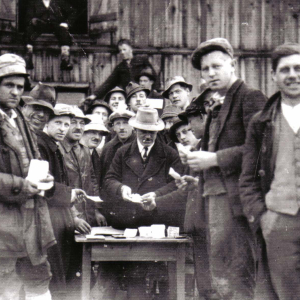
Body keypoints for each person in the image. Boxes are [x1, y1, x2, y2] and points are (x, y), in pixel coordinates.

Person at [180, 38, 267, 299]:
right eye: (205, 70)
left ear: (233, 64)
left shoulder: (249, 97)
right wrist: (196, 175)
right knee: (221, 277)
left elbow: (263, 150)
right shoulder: (219, 104)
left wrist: (213, 159)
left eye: (216, 66)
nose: (210, 74)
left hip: (238, 205)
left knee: (238, 278)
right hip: (215, 201)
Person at [240, 43, 300, 300]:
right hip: (280, 221)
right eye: (284, 69)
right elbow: (248, 179)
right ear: (274, 76)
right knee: (285, 293)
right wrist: (262, 218)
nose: (293, 75)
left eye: (298, 68)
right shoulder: (261, 122)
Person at [103, 107, 184, 299]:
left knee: (163, 275)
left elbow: (178, 184)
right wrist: (122, 189)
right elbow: (109, 179)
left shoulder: (170, 154)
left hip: (158, 221)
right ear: (136, 131)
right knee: (135, 273)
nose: (147, 136)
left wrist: (156, 195)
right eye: (143, 131)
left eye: (151, 132)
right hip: (130, 220)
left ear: (157, 131)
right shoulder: (123, 153)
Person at [0, 53, 56, 300]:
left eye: (19, 87)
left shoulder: (19, 117)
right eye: (8, 85)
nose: (15, 92)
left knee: (39, 281)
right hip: (4, 224)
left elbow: (30, 159)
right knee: (6, 286)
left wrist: (45, 178)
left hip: (32, 220)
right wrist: (22, 185)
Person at [38, 104, 87, 299]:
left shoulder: (54, 146)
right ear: (47, 124)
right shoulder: (41, 145)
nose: (62, 129)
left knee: (62, 274)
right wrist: (69, 195)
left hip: (60, 217)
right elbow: (43, 184)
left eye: (66, 124)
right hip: (49, 218)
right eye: (58, 123)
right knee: (54, 276)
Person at [176, 94, 212, 299]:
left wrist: (197, 184)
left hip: (210, 225)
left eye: (190, 122)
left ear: (203, 117)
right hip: (198, 224)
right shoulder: (199, 147)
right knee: (205, 284)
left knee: (213, 286)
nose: (189, 127)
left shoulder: (212, 146)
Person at [89, 39, 158, 100]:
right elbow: (108, 83)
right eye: (120, 50)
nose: (122, 52)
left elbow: (154, 77)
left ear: (131, 49)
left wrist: (155, 90)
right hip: (130, 97)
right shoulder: (120, 67)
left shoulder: (142, 61)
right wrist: (95, 95)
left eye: (124, 49)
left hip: (145, 96)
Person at [99, 109, 135, 224]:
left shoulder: (139, 144)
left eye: (125, 123)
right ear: (113, 127)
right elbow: (104, 178)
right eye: (118, 124)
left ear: (133, 125)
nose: (122, 127)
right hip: (115, 203)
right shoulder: (108, 148)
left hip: (137, 200)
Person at [24, 0, 77, 70]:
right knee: (29, 29)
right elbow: (28, 17)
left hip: (55, 26)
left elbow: (73, 12)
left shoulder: (59, 1)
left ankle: (65, 60)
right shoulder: (34, 2)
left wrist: (67, 23)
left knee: (64, 31)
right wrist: (33, 21)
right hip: (40, 25)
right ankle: (28, 59)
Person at [80, 114, 110, 190]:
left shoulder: (97, 155)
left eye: (100, 134)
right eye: (93, 132)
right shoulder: (73, 153)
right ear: (83, 132)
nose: (97, 137)